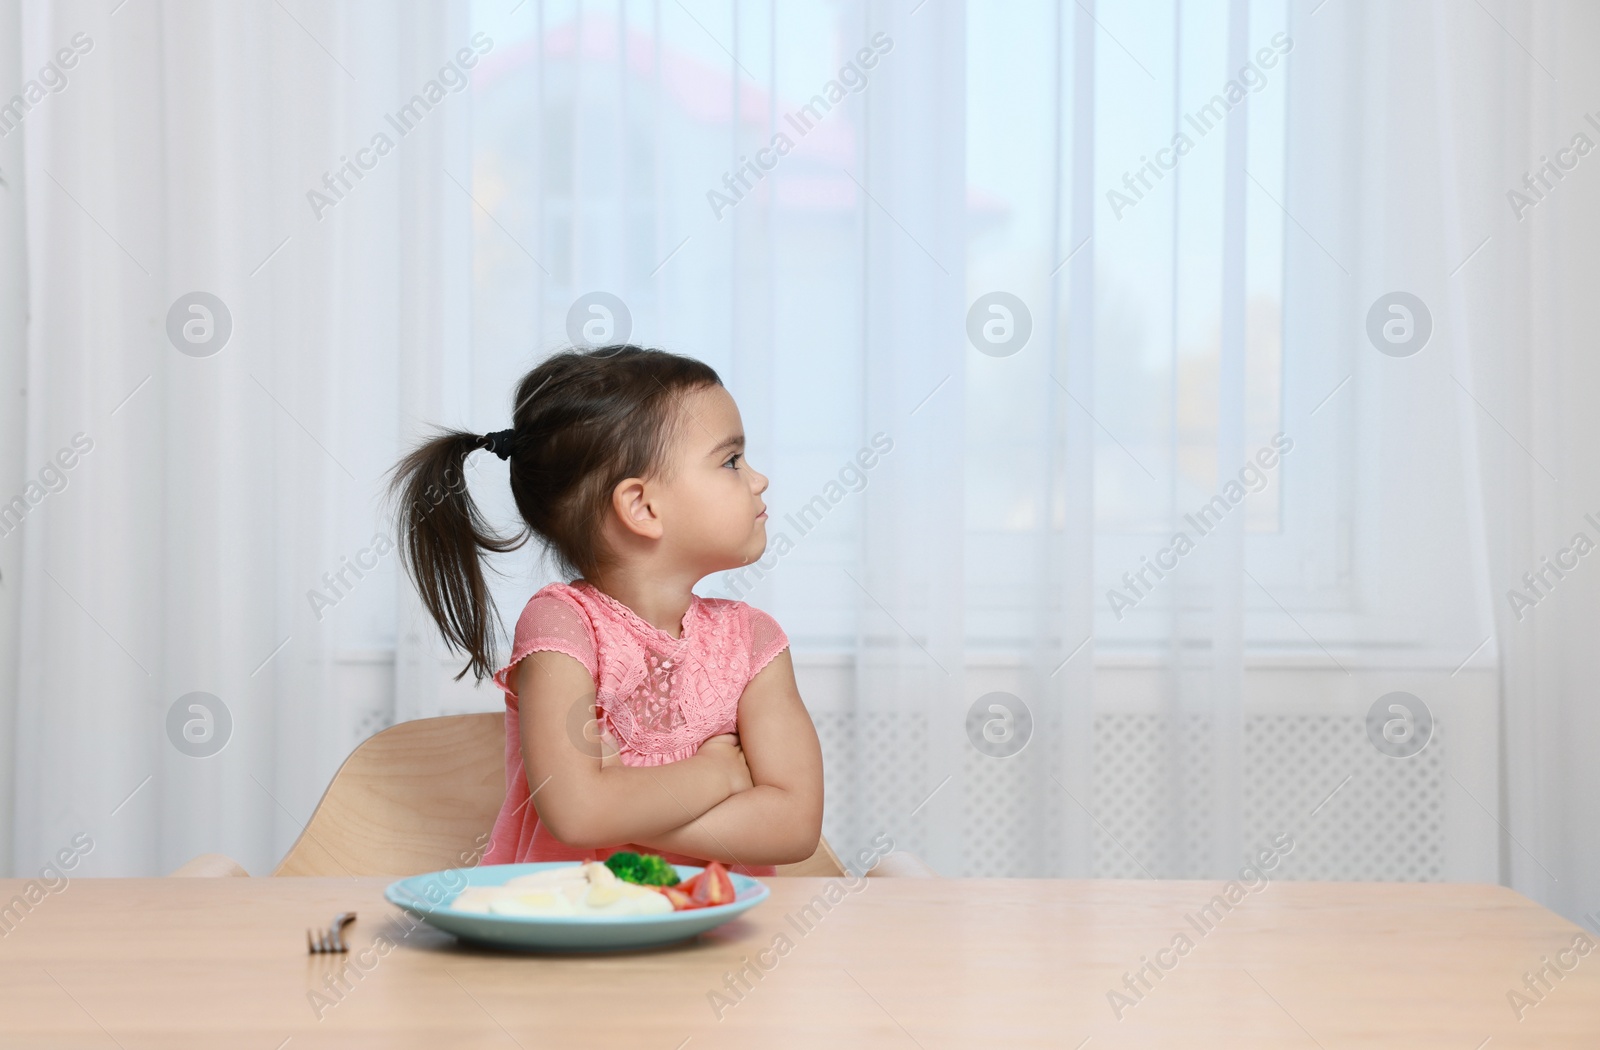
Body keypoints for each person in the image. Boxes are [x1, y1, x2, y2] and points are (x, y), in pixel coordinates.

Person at [386, 344, 823, 877]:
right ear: (642, 507)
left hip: (714, 936)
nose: (758, 479)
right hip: (571, 935)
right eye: (731, 461)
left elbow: (795, 826)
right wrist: (716, 776)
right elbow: (576, 814)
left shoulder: (754, 643)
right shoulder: (562, 626)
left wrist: (620, 805)